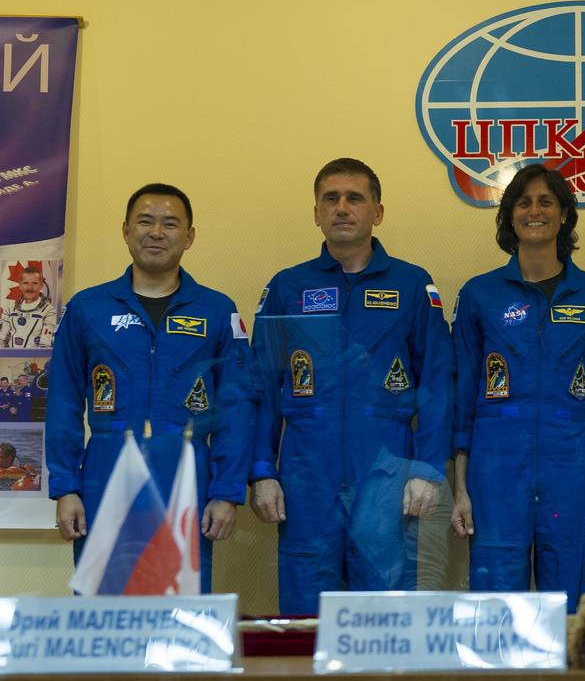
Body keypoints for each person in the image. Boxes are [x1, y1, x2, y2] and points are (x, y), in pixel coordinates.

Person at [250, 158, 454, 614]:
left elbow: (438, 383)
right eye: (331, 198)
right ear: (316, 213)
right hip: (306, 478)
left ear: (377, 212)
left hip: (386, 474)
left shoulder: (412, 285)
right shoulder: (288, 287)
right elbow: (261, 386)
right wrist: (263, 471)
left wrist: (427, 469)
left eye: (354, 198)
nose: (342, 208)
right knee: (306, 618)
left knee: (383, 619)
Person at [46, 183, 253, 589]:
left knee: (182, 603)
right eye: (145, 221)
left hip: (188, 475)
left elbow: (238, 405)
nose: (156, 232)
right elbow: (63, 402)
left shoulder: (217, 310)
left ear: (189, 236)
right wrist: (66, 487)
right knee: (104, 604)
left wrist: (226, 491)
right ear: (125, 230)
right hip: (106, 472)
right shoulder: (88, 309)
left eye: (170, 223)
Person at [450, 164, 585, 611]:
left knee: (576, 608)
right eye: (524, 203)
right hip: (495, 473)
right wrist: (460, 486)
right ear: (509, 216)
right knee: (495, 612)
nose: (535, 211)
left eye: (546, 201)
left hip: (573, 472)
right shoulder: (479, 295)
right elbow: (461, 398)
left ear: (564, 214)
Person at [0, 264, 57, 349]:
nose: (30, 287)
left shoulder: (49, 311)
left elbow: (46, 345)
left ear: (41, 285)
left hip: (36, 360)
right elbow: (1, 339)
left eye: (34, 283)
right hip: (10, 360)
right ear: (20, 285)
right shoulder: (10, 310)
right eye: (26, 283)